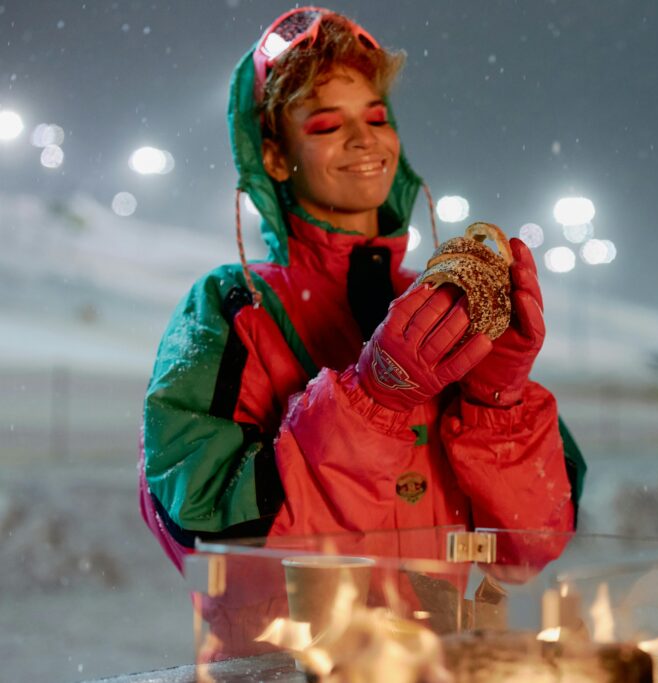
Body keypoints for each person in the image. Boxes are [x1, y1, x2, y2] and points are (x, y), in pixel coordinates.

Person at [138, 7, 585, 576]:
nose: (363, 140)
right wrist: (372, 399)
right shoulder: (233, 309)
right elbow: (201, 529)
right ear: (275, 156)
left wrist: (496, 399)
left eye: (376, 118)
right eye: (325, 124)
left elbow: (529, 547)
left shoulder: (440, 307)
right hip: (291, 662)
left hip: (439, 660)